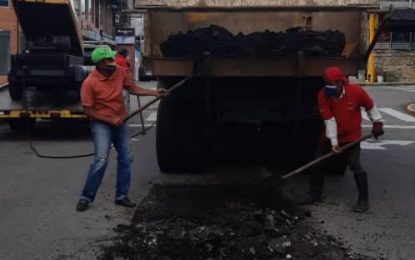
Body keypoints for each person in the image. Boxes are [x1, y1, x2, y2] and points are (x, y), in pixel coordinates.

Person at [76, 47, 164, 212]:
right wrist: (110, 119)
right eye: (109, 60)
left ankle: (121, 196)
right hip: (101, 123)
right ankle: (86, 197)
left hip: (120, 121)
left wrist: (154, 93)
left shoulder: (121, 72)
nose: (113, 62)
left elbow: (133, 89)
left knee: (126, 157)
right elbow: (88, 110)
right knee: (101, 159)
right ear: (100, 64)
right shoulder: (89, 83)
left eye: (112, 59)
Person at [299, 66, 384, 213]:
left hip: (352, 137)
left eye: (331, 84)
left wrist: (377, 123)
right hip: (329, 136)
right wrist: (334, 143)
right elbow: (329, 120)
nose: (328, 87)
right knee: (318, 162)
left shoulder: (356, 92)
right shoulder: (322, 96)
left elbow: (370, 106)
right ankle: (314, 195)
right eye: (326, 83)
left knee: (355, 165)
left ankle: (363, 201)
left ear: (340, 82)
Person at [114, 48, 131, 113]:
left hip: (115, 84)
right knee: (125, 101)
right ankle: (125, 116)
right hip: (123, 84)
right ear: (124, 54)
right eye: (126, 54)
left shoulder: (115, 59)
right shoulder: (122, 61)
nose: (127, 55)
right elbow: (126, 74)